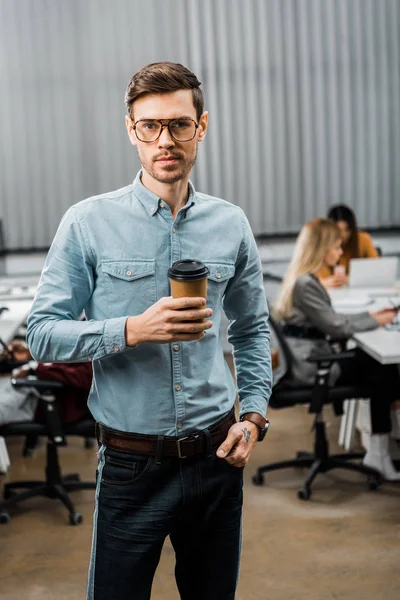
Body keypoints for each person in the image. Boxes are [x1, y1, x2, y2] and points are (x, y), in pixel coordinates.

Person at [26, 61, 272, 600]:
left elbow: (253, 330)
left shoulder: (230, 224)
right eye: (150, 126)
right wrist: (132, 330)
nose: (166, 140)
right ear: (131, 130)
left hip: (216, 458)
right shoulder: (88, 222)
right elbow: (41, 334)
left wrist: (253, 418)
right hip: (131, 466)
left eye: (180, 124)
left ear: (201, 127)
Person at [274, 218, 400, 481]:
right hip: (312, 366)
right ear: (322, 248)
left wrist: (370, 316)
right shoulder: (306, 284)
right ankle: (378, 454)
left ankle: (379, 452)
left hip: (308, 357)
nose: (341, 252)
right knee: (382, 370)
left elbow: (334, 321)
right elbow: (338, 329)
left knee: (377, 367)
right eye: (337, 246)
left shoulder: (302, 279)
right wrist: (376, 320)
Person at [0, 340, 92, 426]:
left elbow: (83, 377)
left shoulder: (93, 340)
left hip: (53, 401)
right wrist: (30, 353)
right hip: (39, 387)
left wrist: (35, 368)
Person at [318, 204, 379, 288]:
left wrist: (351, 279)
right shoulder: (322, 245)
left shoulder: (363, 239)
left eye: (347, 230)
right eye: (338, 230)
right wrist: (326, 282)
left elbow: (376, 269)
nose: (343, 235)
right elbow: (318, 279)